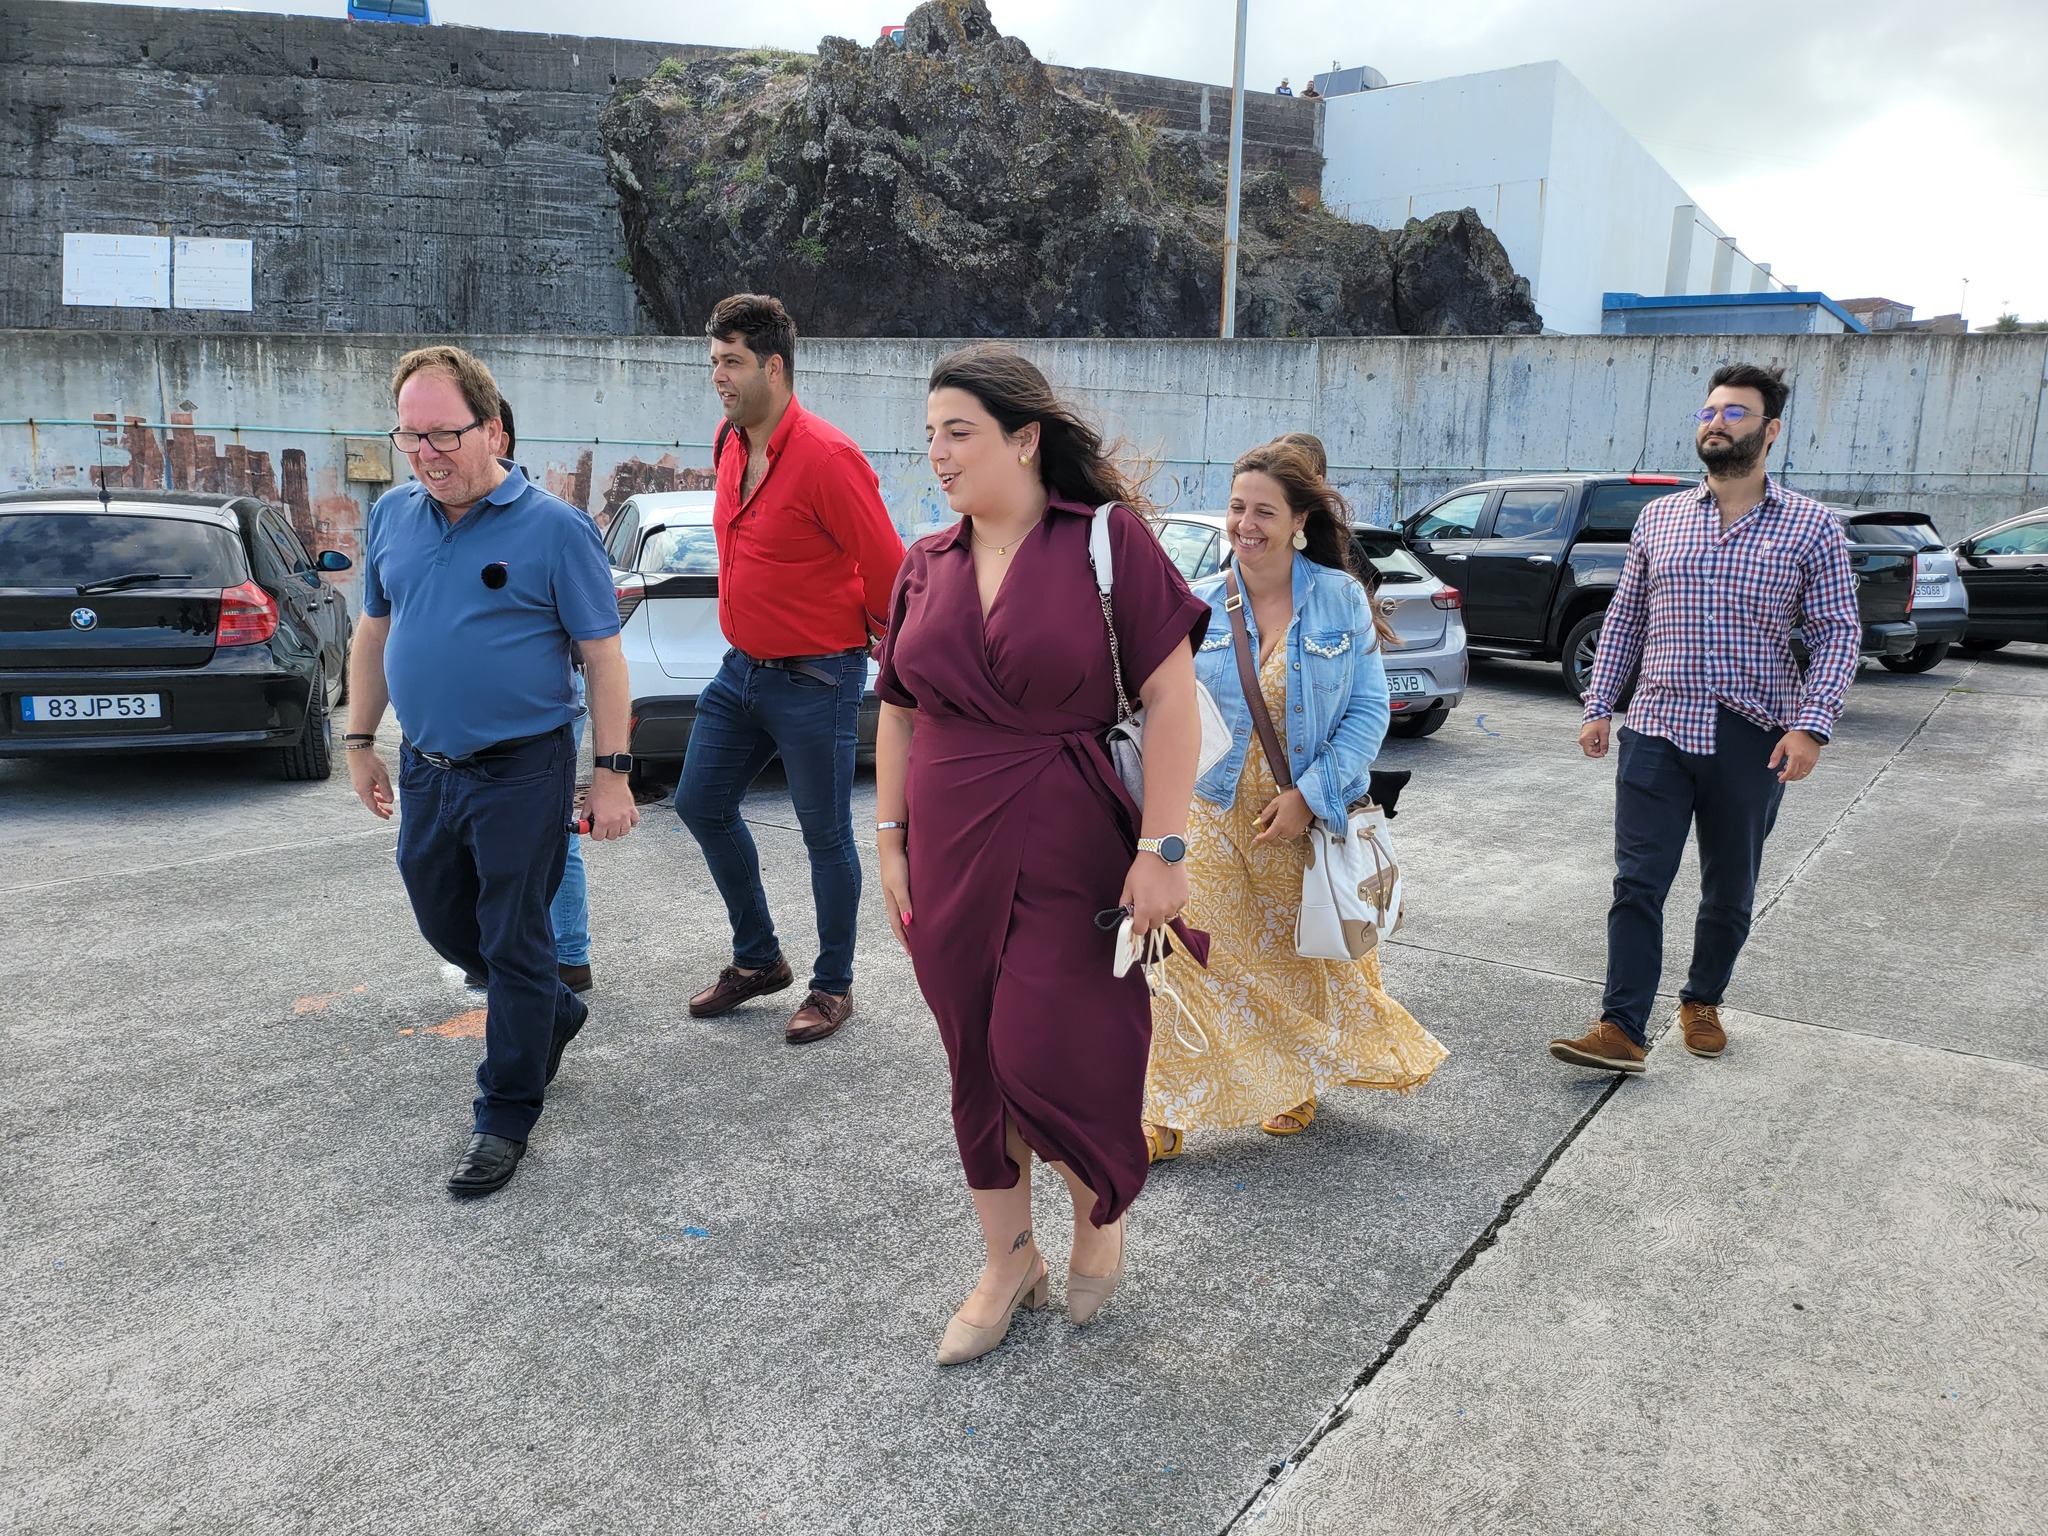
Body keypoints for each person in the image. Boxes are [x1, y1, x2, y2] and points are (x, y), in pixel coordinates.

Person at [873, 343, 1209, 1364]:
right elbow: (898, 710)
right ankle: (1006, 1260)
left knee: (1049, 1047)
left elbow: (1170, 699)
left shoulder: (1104, 541)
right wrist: (888, 840)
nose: (938, 453)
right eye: (929, 435)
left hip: (1071, 846)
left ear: (1024, 440)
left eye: (958, 432)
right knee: (974, 1057)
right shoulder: (924, 563)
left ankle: (1097, 1210)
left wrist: (1162, 846)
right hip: (945, 845)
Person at [346, 346, 639, 1198]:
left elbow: (603, 657)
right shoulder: (392, 514)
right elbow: (373, 632)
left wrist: (612, 774)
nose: (427, 453)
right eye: (411, 435)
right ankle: (552, 1005)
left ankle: (505, 1113)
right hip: (427, 766)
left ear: (495, 433)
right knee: (442, 915)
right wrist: (359, 741)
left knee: (514, 938)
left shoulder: (555, 529)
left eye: (445, 434)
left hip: (522, 768)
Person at [1141, 440, 1446, 1160]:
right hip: (1210, 808)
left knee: (1293, 961)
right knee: (1185, 953)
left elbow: (1367, 712)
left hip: (1299, 814)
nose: (1245, 524)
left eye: (1264, 512)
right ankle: (1165, 1107)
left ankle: (1291, 1076)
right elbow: (1163, 711)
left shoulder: (1339, 599)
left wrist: (1310, 796)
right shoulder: (1198, 603)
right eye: (1237, 508)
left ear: (1300, 521)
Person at [1551, 363, 1859, 1074]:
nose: (1716, 422)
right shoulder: (1660, 518)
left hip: (1753, 737)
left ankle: (1702, 999)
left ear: (1771, 430)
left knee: (1729, 886)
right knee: (1638, 881)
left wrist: (1811, 725)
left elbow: (1839, 633)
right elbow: (1626, 618)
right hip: (1657, 727)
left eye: (1735, 413)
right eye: (1710, 411)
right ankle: (1621, 1026)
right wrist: (1600, 705)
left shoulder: (1812, 527)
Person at [677, 294, 907, 1045]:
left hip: (816, 677)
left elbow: (889, 571)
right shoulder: (730, 442)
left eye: (732, 361)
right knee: (700, 804)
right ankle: (759, 959)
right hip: (739, 671)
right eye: (714, 360)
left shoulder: (829, 459)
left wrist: (886, 648)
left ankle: (832, 985)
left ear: (774, 367)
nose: (719, 375)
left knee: (825, 836)